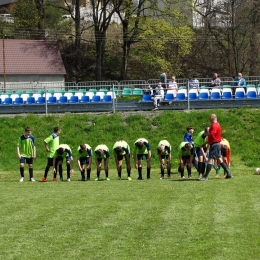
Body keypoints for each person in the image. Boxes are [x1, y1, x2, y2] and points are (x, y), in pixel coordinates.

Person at [199, 114, 232, 181]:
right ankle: (229, 174)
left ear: (212, 118)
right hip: (217, 144)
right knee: (220, 159)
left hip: (214, 144)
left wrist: (206, 141)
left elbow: (211, 136)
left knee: (210, 159)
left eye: (209, 119)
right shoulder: (218, 125)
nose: (209, 120)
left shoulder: (214, 126)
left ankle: (205, 177)